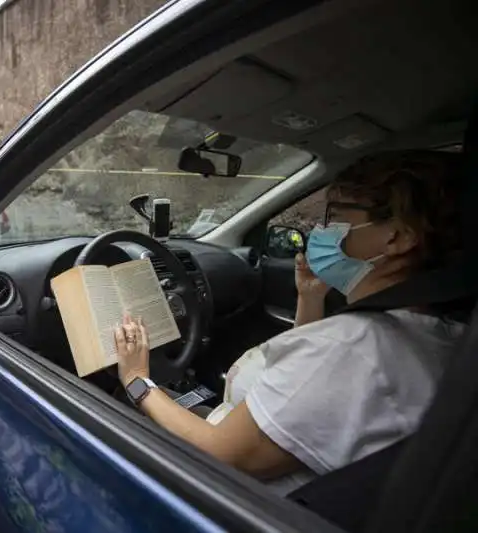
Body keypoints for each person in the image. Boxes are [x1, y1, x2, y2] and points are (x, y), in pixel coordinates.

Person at [113, 150, 466, 495]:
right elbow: (312, 384)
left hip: (223, 489)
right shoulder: (447, 334)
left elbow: (221, 452)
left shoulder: (351, 346)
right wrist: (310, 299)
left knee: (115, 405)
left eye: (335, 216)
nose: (320, 229)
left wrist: (136, 380)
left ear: (398, 237)